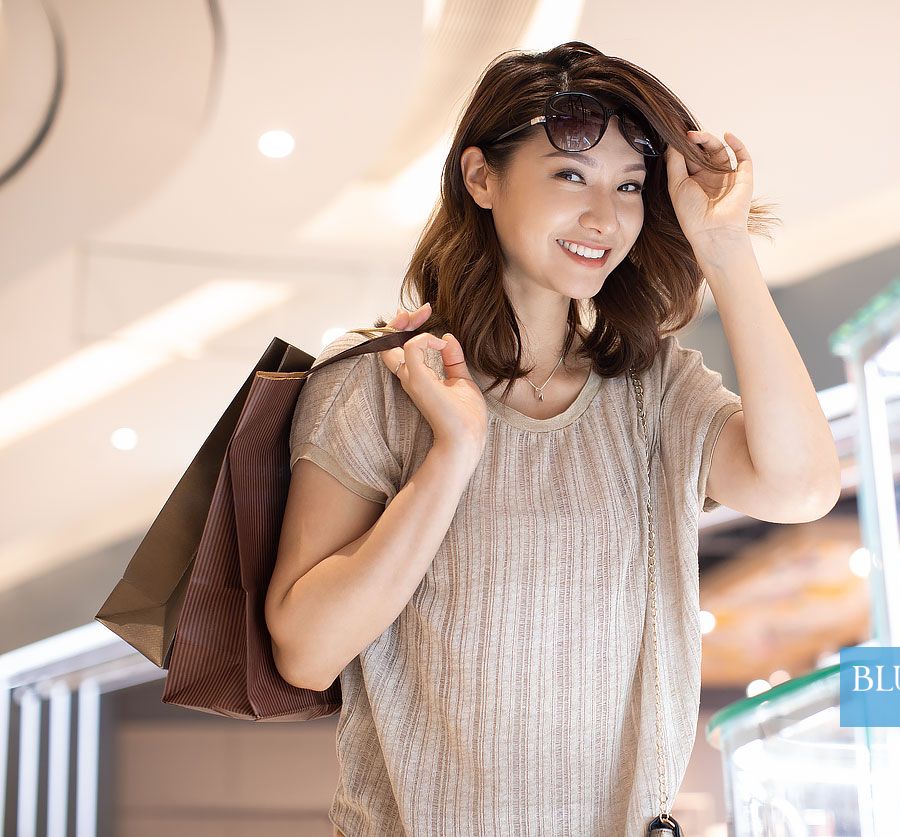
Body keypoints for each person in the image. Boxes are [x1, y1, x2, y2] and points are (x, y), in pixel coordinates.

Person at [265, 41, 841, 837]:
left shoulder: (650, 387)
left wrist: (725, 246)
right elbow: (306, 650)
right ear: (481, 177)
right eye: (571, 175)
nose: (604, 217)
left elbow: (800, 486)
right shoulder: (375, 381)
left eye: (630, 187)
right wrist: (453, 452)